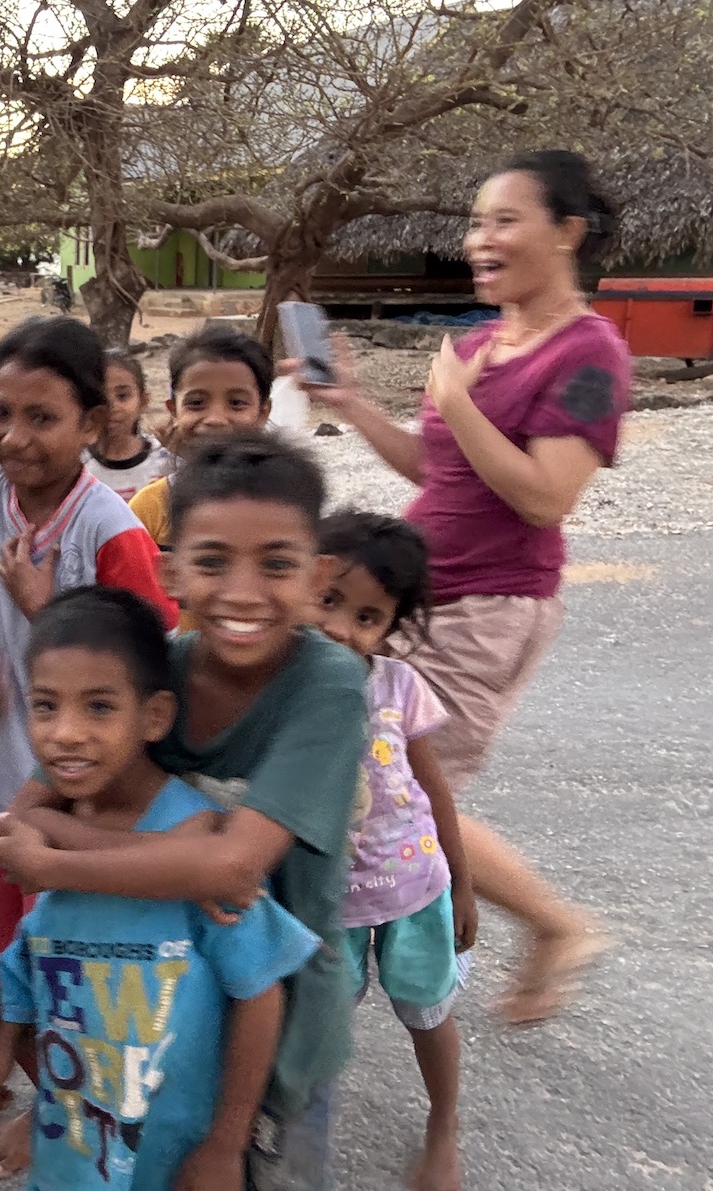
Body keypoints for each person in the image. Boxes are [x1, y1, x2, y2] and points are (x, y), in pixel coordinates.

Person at [0, 430, 368, 1191]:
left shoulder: (328, 684)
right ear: (171, 571)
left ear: (318, 576)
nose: (243, 592)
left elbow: (230, 868)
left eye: (276, 564)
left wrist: (56, 855)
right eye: (213, 561)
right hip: (149, 1022)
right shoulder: (153, 672)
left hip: (278, 1020)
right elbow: (23, 818)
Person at [299, 150, 627, 1023]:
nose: (480, 240)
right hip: (418, 596)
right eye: (476, 222)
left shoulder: (589, 353)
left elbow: (544, 496)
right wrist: (354, 404)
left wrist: (457, 401)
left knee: (401, 782)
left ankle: (555, 926)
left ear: (566, 232)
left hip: (489, 604)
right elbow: (436, 467)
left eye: (504, 220)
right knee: (381, 770)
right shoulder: (481, 343)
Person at [0, 315, 177, 1179]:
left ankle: (76, 1117)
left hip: (75, 800)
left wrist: (45, 610)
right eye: (0, 412)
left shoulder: (110, 533)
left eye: (42, 418)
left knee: (70, 970)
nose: (14, 437)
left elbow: (147, 680)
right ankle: (58, 1099)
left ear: (91, 425)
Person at [0, 587, 319, 1191]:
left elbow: (260, 993)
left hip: (175, 1153)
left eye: (99, 707)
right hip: (76, 1146)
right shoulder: (43, 841)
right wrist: (8, 1043)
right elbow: (43, 957)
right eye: (45, 706)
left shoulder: (200, 849)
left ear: (154, 717)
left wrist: (225, 1145)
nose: (66, 733)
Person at [315, 510, 477, 1191]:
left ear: (388, 628)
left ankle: (443, 1124)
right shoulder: (283, 689)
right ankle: (293, 1135)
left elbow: (433, 790)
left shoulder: (396, 686)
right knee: (315, 1023)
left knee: (427, 1014)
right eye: (327, 601)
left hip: (414, 889)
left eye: (366, 617)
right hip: (328, 904)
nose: (339, 627)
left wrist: (462, 882)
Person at [129, 326, 274, 554]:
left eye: (236, 403)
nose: (215, 419)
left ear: (263, 413)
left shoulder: (284, 504)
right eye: (196, 403)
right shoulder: (150, 508)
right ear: (174, 410)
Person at [83, 350, 173, 501]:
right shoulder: (75, 467)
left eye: (122, 396)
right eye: (99, 397)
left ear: (143, 402)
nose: (112, 406)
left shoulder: (165, 464)